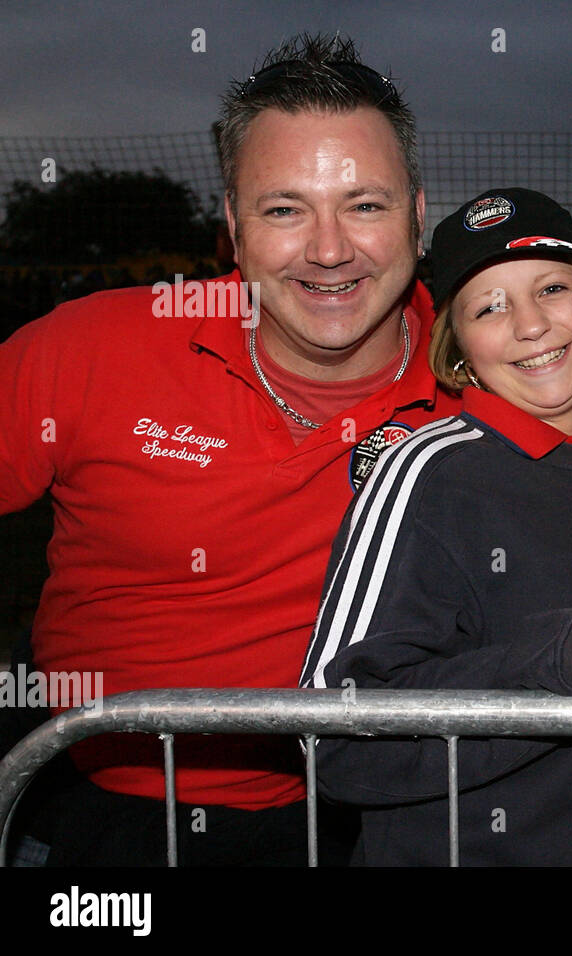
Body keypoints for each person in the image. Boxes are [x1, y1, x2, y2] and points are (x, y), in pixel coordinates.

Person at [0, 34, 457, 865]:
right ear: (234, 229)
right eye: (285, 209)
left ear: (418, 217)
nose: (328, 249)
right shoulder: (88, 348)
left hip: (363, 820)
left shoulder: (481, 382)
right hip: (84, 813)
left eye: (365, 204)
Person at [299, 188, 572, 866]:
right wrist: (559, 660)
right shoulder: (430, 473)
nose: (529, 325)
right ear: (458, 350)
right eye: (489, 307)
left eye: (551, 288)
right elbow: (334, 737)